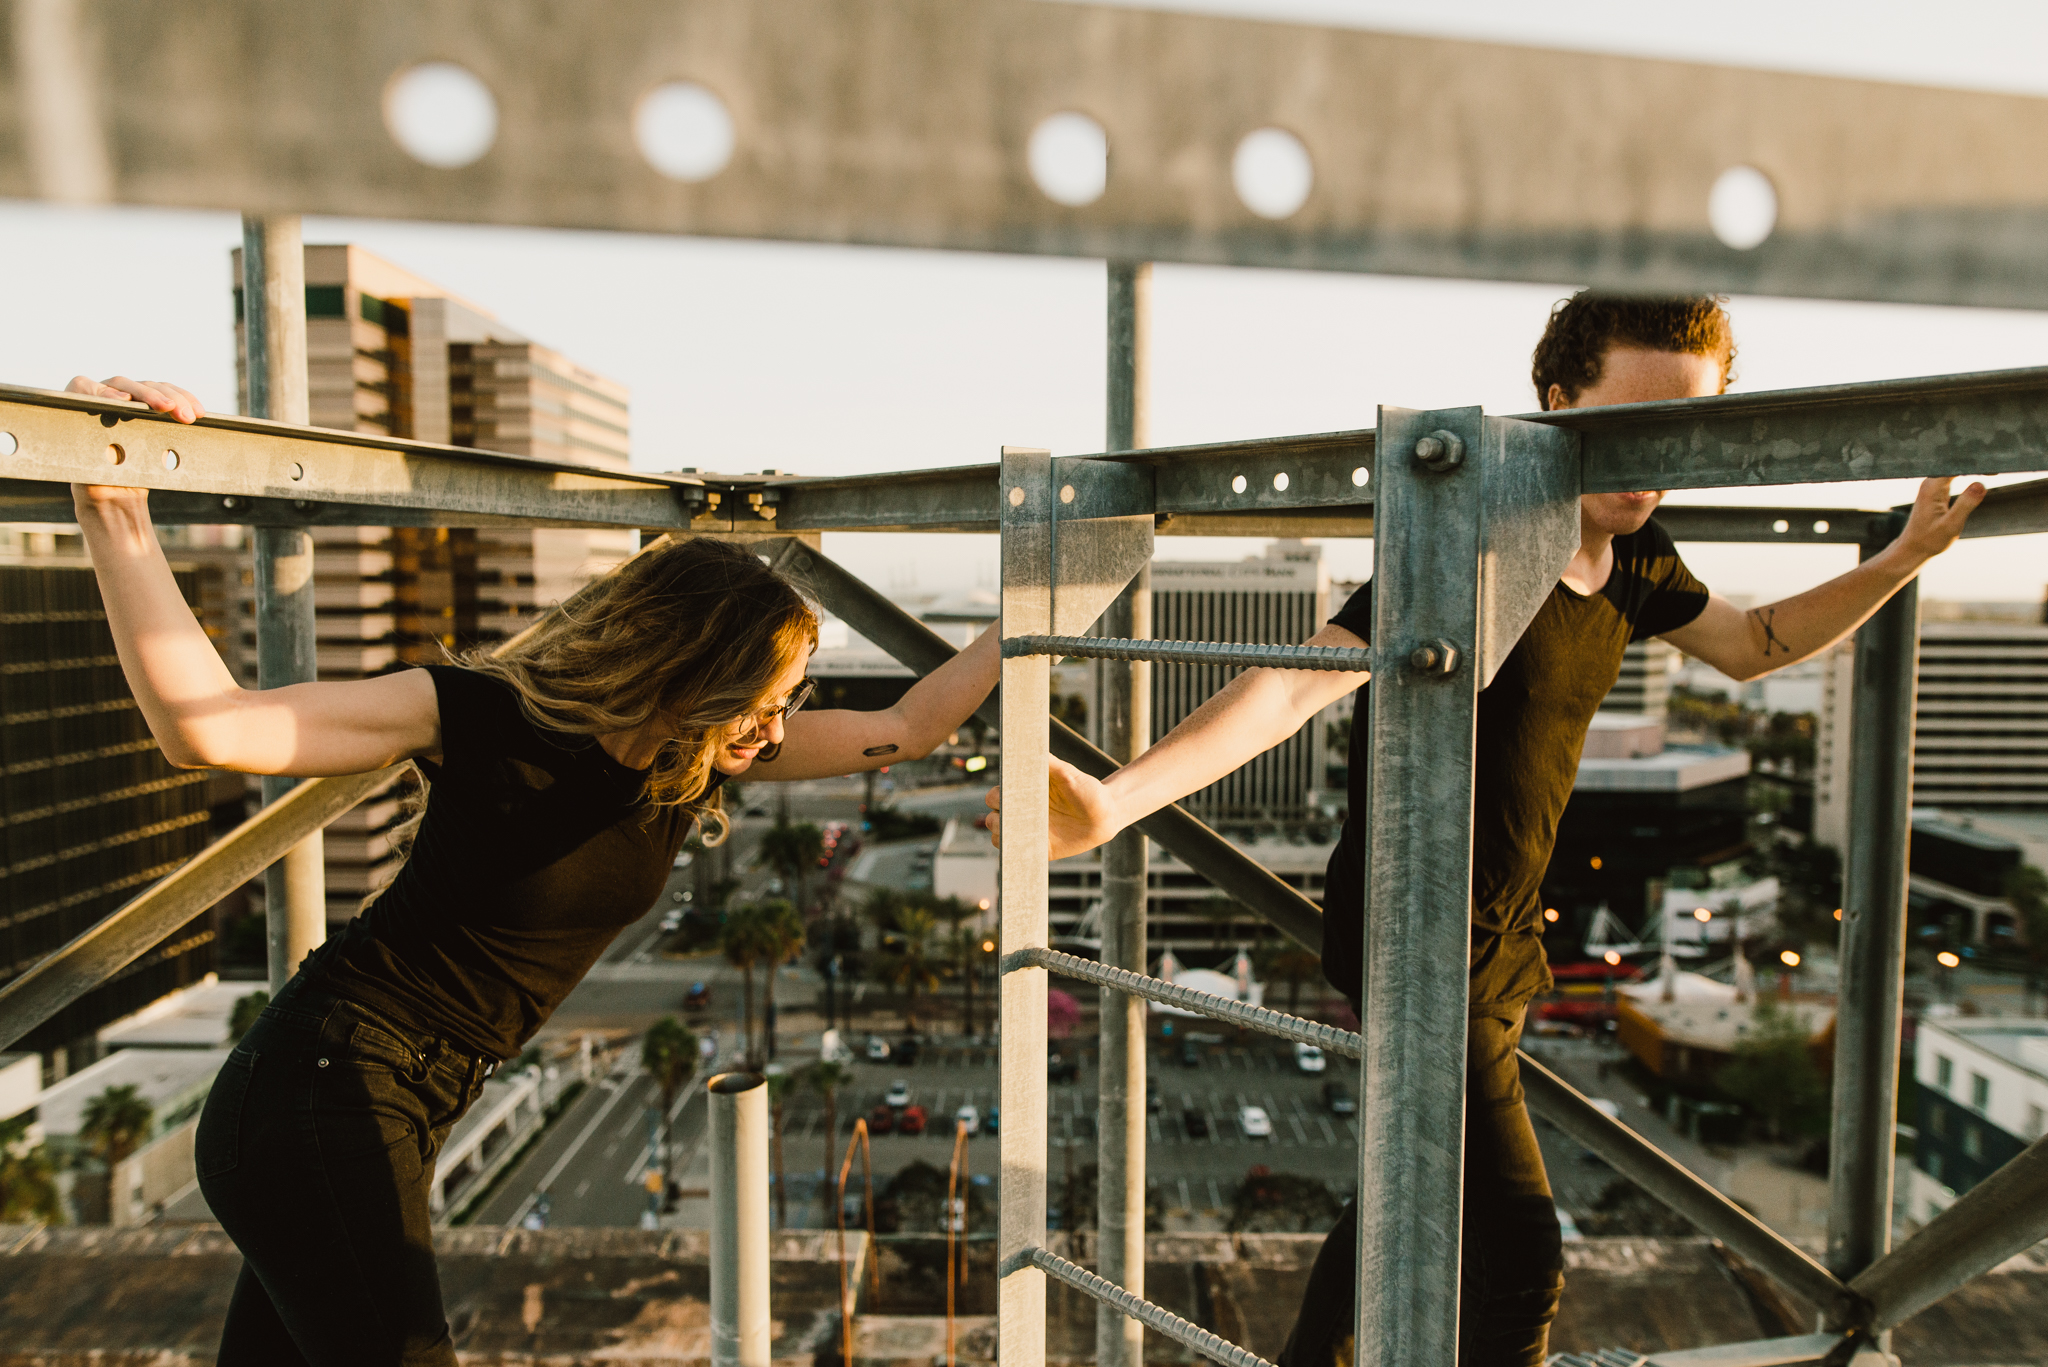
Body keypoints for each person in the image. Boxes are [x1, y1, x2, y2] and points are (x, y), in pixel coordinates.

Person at [987, 293, 1986, 1366]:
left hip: (1504, 941)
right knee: (1519, 1263)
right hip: (1419, 938)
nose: (1646, 467)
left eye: (1673, 437)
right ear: (1552, 404)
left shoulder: (1640, 560)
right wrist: (1117, 799)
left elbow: (1749, 645)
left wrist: (1898, 561)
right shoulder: (1478, 542)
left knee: (1394, 1201)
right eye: (1619, 430)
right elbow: (1295, 685)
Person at [64, 374, 1002, 1366]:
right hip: (324, 1083)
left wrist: (1044, 587)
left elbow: (909, 725)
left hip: (409, 1103)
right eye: (762, 702)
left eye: (790, 702)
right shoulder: (473, 712)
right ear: (692, 676)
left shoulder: (691, 760)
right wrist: (114, 502)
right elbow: (205, 728)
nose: (776, 730)